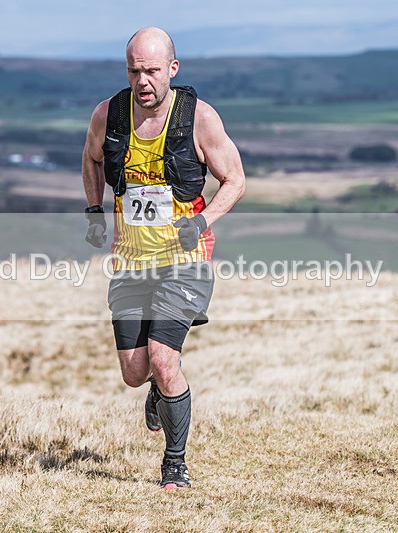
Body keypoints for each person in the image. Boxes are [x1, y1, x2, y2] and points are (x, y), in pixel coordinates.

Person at [81, 27, 245, 490]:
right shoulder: (108, 116)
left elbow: (234, 179)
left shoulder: (200, 119)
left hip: (185, 259)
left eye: (152, 70)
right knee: (135, 373)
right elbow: (91, 159)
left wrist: (203, 221)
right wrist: (95, 210)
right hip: (131, 262)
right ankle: (156, 385)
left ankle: (175, 463)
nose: (143, 80)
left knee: (163, 357)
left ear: (172, 69)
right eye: (134, 70)